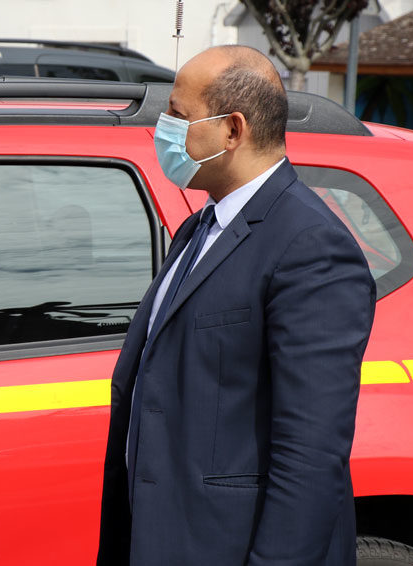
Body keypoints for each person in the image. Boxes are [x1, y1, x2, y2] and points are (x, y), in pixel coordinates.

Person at [97, 45, 376, 565]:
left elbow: (311, 456)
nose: (164, 127)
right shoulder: (200, 226)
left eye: (179, 114)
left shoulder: (311, 246)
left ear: (233, 130)